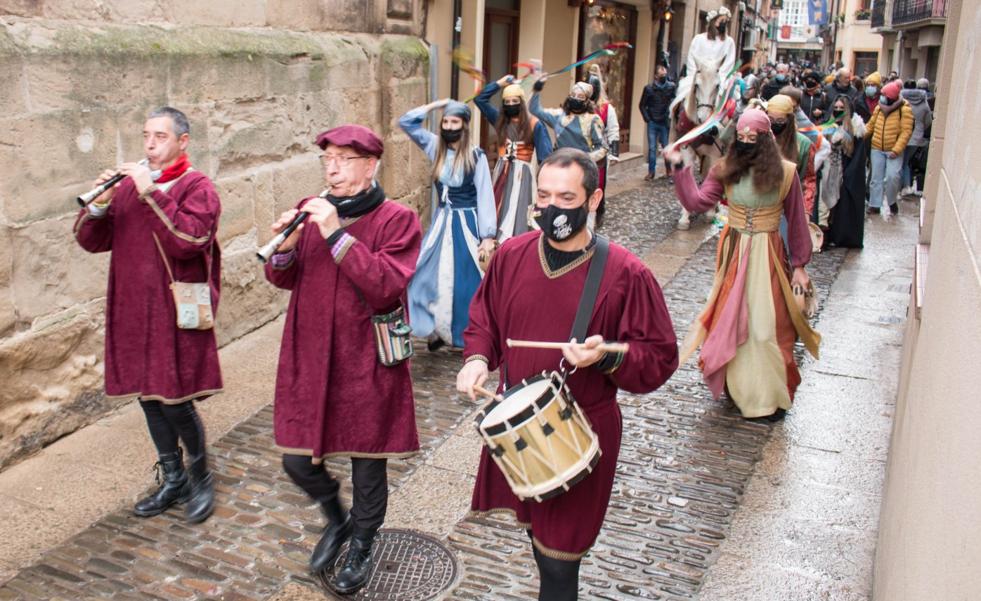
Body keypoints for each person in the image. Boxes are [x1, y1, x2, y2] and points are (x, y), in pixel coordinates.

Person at [456, 147, 678, 601]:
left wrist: (607, 355)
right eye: (543, 196)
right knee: (540, 547)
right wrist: (477, 358)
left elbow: (659, 356)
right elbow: (484, 322)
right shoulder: (511, 255)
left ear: (593, 200)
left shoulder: (626, 274)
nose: (552, 208)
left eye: (566, 197)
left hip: (581, 436)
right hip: (519, 432)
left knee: (560, 564)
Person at [264, 125, 422, 593]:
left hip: (365, 358)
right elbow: (283, 280)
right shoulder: (308, 211)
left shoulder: (398, 219)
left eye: (344, 159)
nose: (332, 168)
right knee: (297, 459)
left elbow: (384, 285)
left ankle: (362, 544)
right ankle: (336, 517)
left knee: (367, 463)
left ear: (370, 166)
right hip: (311, 354)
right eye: (327, 159)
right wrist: (284, 254)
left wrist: (335, 234)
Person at [74, 106, 221, 524]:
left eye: (160, 137)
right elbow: (91, 240)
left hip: (176, 310)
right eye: (146, 136)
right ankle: (172, 478)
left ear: (182, 141)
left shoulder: (198, 188)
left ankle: (200, 476)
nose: (150, 145)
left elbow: (190, 240)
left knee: (175, 400)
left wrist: (150, 191)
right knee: (148, 398)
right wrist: (100, 205)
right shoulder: (128, 187)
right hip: (134, 309)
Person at [665, 108, 821, 420]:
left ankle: (768, 396)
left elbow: (797, 220)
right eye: (742, 137)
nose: (746, 142)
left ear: (765, 140)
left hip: (769, 255)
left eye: (753, 138)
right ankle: (739, 390)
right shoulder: (724, 169)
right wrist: (681, 167)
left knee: (767, 327)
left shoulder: (786, 172)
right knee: (730, 320)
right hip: (734, 252)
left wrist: (800, 265)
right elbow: (696, 202)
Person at [400, 99, 497, 350]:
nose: (449, 126)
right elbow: (406, 122)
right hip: (442, 221)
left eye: (455, 122)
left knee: (465, 280)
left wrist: (487, 235)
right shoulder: (435, 146)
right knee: (423, 271)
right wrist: (436, 105)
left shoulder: (476, 156)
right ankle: (433, 327)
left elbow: (485, 194)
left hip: (466, 223)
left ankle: (463, 333)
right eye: (446, 121)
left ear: (464, 126)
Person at [475, 76, 553, 241]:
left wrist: (545, 186)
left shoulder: (535, 124)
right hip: (501, 172)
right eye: (507, 102)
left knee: (520, 212)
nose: (511, 105)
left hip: (522, 174)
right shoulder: (500, 120)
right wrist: (499, 83)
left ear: (522, 102)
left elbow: (546, 158)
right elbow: (480, 99)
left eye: (514, 101)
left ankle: (518, 246)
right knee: (496, 207)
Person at [530, 78, 608, 227]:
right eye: (573, 95)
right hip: (560, 170)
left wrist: (583, 157)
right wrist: (537, 89)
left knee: (580, 205)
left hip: (582, 171)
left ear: (587, 100)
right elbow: (535, 109)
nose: (575, 99)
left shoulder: (593, 120)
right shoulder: (559, 116)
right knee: (557, 202)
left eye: (580, 97)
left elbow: (603, 148)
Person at [824, 96, 869, 248]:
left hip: (846, 171)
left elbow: (857, 156)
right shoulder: (829, 126)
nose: (838, 111)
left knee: (843, 206)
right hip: (829, 170)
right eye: (835, 108)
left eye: (841, 109)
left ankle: (842, 236)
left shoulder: (856, 129)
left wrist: (848, 175)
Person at [865, 80, 913, 215]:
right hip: (877, 148)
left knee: (893, 177)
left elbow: (906, 132)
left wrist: (896, 149)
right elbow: (870, 125)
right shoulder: (879, 108)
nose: (881, 96)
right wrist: (859, 135)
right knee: (876, 178)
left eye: (884, 95)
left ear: (892, 97)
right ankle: (875, 205)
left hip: (894, 150)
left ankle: (892, 202)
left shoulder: (905, 109)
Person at [767, 94, 818, 221]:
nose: (775, 125)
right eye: (771, 120)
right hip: (761, 208)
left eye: (780, 121)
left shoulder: (804, 144)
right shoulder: (758, 138)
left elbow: (808, 180)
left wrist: (805, 212)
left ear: (789, 120)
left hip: (789, 208)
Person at [676, 7, 736, 106]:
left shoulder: (729, 42)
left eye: (726, 21)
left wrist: (719, 76)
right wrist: (695, 73)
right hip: (699, 75)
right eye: (722, 20)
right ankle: (678, 115)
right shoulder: (699, 39)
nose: (724, 23)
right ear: (714, 21)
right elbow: (692, 58)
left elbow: (729, 62)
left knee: (728, 96)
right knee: (682, 91)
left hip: (718, 77)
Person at [640, 64, 677, 181]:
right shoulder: (648, 89)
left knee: (666, 147)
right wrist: (647, 119)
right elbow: (642, 105)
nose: (663, 74)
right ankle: (651, 172)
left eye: (665, 73)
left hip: (664, 122)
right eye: (661, 73)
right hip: (652, 122)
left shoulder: (671, 87)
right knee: (652, 148)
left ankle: (668, 170)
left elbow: (676, 101)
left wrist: (671, 114)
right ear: (656, 76)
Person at [900, 80, 932, 196]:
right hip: (917, 137)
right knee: (907, 162)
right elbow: (928, 120)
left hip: (903, 135)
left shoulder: (902, 100)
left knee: (902, 162)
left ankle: (905, 186)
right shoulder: (924, 103)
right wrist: (921, 128)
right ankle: (906, 185)